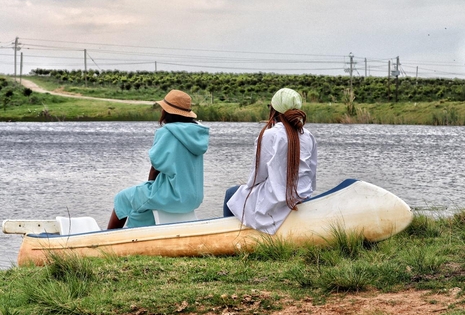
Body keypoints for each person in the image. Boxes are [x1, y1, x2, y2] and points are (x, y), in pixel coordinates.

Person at [107, 89, 209, 229]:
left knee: (122, 198)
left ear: (166, 112)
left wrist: (150, 185)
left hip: (172, 196)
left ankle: (107, 237)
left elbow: (156, 166)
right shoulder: (197, 134)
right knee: (142, 208)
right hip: (193, 198)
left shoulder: (167, 132)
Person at [224, 88, 317, 234]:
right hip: (302, 195)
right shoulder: (308, 136)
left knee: (231, 194)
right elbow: (311, 174)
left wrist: (247, 186)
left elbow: (258, 176)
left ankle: (230, 234)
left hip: (276, 198)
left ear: (274, 110)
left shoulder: (270, 135)